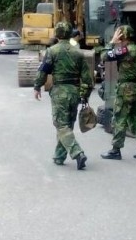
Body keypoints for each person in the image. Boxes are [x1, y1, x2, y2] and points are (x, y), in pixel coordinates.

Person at [34, 21, 93, 170]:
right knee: (67, 125)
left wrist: (37, 86)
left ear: (57, 34)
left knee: (61, 125)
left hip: (60, 91)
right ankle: (59, 156)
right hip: (74, 91)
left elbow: (43, 71)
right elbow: (88, 79)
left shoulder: (52, 51)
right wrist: (84, 95)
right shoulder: (78, 53)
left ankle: (77, 153)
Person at [100, 23, 136, 160]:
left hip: (125, 88)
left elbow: (104, 56)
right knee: (135, 119)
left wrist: (112, 42)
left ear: (122, 36)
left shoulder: (124, 50)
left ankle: (115, 150)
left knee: (119, 118)